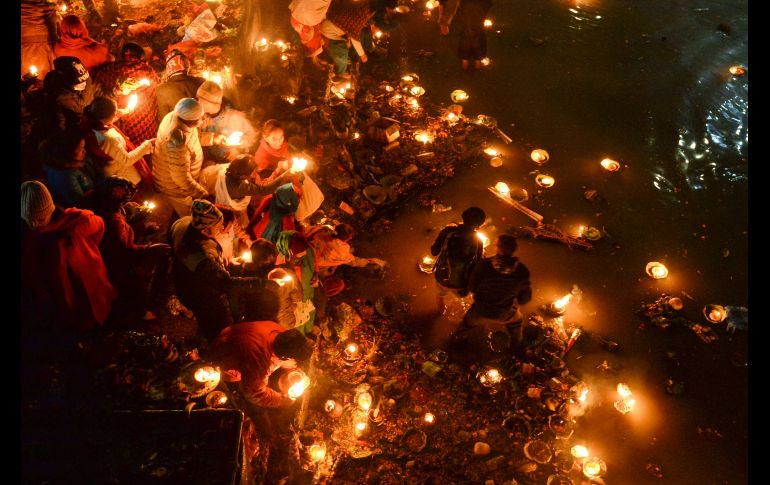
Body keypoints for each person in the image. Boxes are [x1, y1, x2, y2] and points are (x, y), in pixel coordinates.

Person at [169, 199, 276, 340]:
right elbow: (227, 283)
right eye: (218, 226)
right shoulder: (203, 256)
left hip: (184, 280)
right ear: (206, 230)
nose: (222, 229)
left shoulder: (183, 222)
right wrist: (264, 284)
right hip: (201, 294)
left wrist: (228, 261)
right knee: (219, 329)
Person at [21, 180, 117, 333]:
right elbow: (33, 269)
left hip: (91, 277)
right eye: (28, 220)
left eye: (39, 219)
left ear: (50, 211)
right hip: (67, 294)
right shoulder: (33, 239)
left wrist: (77, 238)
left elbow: (98, 225)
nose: (34, 225)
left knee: (102, 309)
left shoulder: (75, 222)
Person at [79, 177, 172, 321]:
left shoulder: (96, 198)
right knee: (136, 278)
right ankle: (140, 312)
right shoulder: (114, 221)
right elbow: (124, 252)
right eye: (125, 199)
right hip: (112, 263)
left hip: (100, 250)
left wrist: (140, 226)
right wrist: (150, 248)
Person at [448, 234, 531, 347]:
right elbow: (524, 299)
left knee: (466, 325)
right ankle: (518, 345)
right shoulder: (522, 271)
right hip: (504, 313)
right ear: (514, 250)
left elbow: (472, 287)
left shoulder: (484, 265)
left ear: (498, 248)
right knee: (517, 321)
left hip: (479, 311)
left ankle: (457, 341)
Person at [209, 322, 314, 408]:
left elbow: (279, 351)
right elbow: (254, 394)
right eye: (292, 358)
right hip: (222, 361)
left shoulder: (280, 331)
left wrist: (292, 367)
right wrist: (281, 400)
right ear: (284, 357)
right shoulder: (259, 360)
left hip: (229, 335)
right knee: (255, 408)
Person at [91, 42, 161, 144]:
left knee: (121, 149)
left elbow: (98, 90)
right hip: (143, 126)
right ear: (140, 56)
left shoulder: (109, 69)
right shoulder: (148, 71)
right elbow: (157, 88)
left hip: (116, 124)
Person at [81, 96, 155, 188]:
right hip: (125, 177)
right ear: (103, 118)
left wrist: (121, 113)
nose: (115, 115)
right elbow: (126, 160)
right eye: (114, 114)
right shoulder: (109, 139)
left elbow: (107, 122)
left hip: (116, 169)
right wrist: (147, 145)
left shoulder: (90, 123)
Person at [199, 154, 291, 227]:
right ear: (243, 176)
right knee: (243, 224)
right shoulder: (239, 187)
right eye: (251, 172)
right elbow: (264, 190)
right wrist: (284, 175)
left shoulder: (230, 169)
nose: (253, 174)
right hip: (231, 210)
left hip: (207, 184)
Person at [153, 97, 208, 218]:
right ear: (190, 121)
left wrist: (213, 138)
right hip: (174, 188)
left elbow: (191, 138)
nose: (203, 119)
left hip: (177, 181)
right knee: (188, 214)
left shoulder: (175, 116)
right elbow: (181, 178)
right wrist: (202, 193)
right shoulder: (177, 144)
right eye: (200, 118)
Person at [430, 206, 486, 313]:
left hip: (442, 276)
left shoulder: (447, 231)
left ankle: (441, 308)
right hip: (461, 283)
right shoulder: (478, 241)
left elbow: (434, 252)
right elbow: (478, 265)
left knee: (440, 292)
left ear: (463, 216)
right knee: (462, 295)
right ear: (479, 226)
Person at [196, 81, 258, 165]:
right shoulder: (199, 118)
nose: (198, 103)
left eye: (202, 100)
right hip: (208, 164)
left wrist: (238, 148)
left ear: (213, 103)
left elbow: (252, 136)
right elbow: (194, 139)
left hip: (230, 165)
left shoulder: (235, 117)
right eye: (198, 99)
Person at [40, 128, 94, 207]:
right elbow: (81, 204)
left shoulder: (78, 162)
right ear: (67, 152)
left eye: (83, 147)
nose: (84, 152)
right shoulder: (66, 176)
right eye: (79, 149)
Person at [320, 0, 375, 79]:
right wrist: (363, 55)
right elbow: (354, 38)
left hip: (328, 24)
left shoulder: (354, 7)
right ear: (368, 12)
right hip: (327, 32)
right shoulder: (358, 18)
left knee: (346, 44)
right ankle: (340, 72)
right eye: (371, 14)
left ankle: (340, 60)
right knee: (342, 50)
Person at [43, 56, 96, 129]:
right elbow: (83, 107)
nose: (85, 83)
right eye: (80, 82)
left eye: (85, 79)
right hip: (70, 124)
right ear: (67, 83)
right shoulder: (61, 96)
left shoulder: (79, 79)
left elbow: (87, 80)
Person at [438, 0, 493, 70]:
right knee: (471, 38)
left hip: (471, 15)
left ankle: (472, 64)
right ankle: (471, 64)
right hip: (471, 15)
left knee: (471, 37)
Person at [156, 50, 206, 120]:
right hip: (202, 126)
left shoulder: (161, 90)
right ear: (187, 66)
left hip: (177, 129)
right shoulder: (201, 82)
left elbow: (163, 119)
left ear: (168, 69)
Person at [288, 0, 333, 68]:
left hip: (308, 15)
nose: (323, 42)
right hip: (297, 12)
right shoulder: (303, 37)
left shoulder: (313, 20)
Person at [21, 0, 58, 79]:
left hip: (26, 46)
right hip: (46, 44)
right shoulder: (48, 5)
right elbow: (52, 25)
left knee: (31, 80)